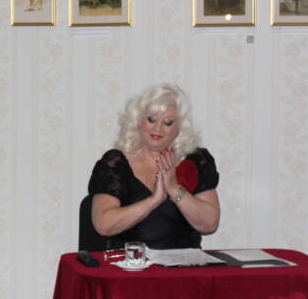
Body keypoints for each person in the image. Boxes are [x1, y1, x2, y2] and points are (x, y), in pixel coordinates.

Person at [88, 83, 220, 250]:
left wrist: (174, 189)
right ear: (138, 121)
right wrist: (153, 201)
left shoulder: (195, 160)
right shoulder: (116, 163)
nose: (158, 128)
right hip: (131, 263)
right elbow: (103, 225)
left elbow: (210, 224)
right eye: (151, 119)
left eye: (168, 122)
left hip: (184, 264)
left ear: (178, 128)